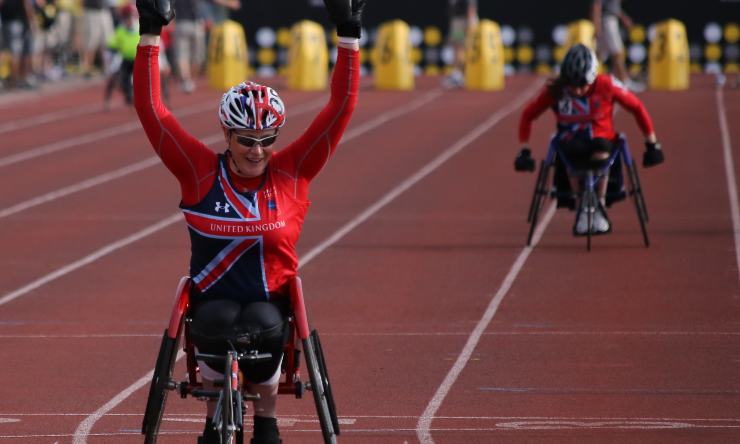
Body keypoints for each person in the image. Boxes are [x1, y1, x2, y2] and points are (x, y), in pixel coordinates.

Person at [133, 0, 364, 441]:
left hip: (271, 308)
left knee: (261, 325)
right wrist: (149, 33)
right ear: (227, 135)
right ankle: (212, 422)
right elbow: (152, 111)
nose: (257, 151)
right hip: (211, 306)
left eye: (266, 140)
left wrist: (348, 35)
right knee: (219, 323)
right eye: (246, 141)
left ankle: (267, 422)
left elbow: (339, 108)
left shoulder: (292, 173)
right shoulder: (200, 172)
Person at [514, 44, 664, 235]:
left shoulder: (607, 84)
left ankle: (599, 203)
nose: (577, 91)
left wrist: (652, 143)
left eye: (582, 85)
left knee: (600, 149)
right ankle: (580, 206)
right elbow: (528, 114)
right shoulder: (556, 90)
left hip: (602, 141)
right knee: (571, 152)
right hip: (570, 143)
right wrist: (524, 149)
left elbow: (637, 108)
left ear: (592, 77)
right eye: (572, 85)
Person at [591, 0, 642, 92]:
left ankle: (587, 77)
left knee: (599, 55)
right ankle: (625, 81)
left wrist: (623, 18)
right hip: (607, 21)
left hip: (610, 21)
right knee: (617, 52)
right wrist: (596, 25)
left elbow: (614, 8)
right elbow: (597, 4)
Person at [103, 3, 138, 108]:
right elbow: (111, 45)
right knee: (114, 75)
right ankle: (108, 100)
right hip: (124, 58)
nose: (129, 20)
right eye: (127, 17)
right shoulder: (120, 31)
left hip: (139, 59)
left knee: (158, 74)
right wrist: (110, 56)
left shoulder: (140, 28)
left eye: (131, 16)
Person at [443, 0, 477, 88]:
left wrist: (471, 21)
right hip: (458, 21)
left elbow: (471, 5)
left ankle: (458, 75)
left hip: (461, 22)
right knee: (457, 48)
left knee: (459, 48)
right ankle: (458, 74)